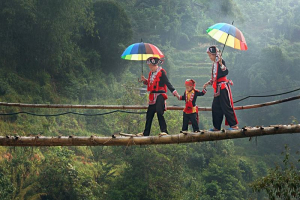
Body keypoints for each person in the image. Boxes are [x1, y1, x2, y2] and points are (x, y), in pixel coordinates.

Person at [138, 57, 180, 136]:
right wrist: (145, 80)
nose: (150, 67)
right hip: (152, 96)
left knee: (159, 112)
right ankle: (146, 133)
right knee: (149, 113)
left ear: (155, 65)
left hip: (160, 95)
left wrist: (175, 93)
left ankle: (164, 131)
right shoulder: (151, 73)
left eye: (151, 66)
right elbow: (151, 84)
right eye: (149, 66)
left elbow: (168, 83)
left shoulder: (161, 72)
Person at [203, 46, 239, 131]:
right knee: (215, 107)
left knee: (226, 106)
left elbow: (225, 72)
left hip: (223, 87)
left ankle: (233, 125)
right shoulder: (214, 64)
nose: (209, 57)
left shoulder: (220, 61)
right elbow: (216, 77)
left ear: (214, 54)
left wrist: (221, 64)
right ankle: (216, 127)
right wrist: (209, 82)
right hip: (217, 88)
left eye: (210, 55)